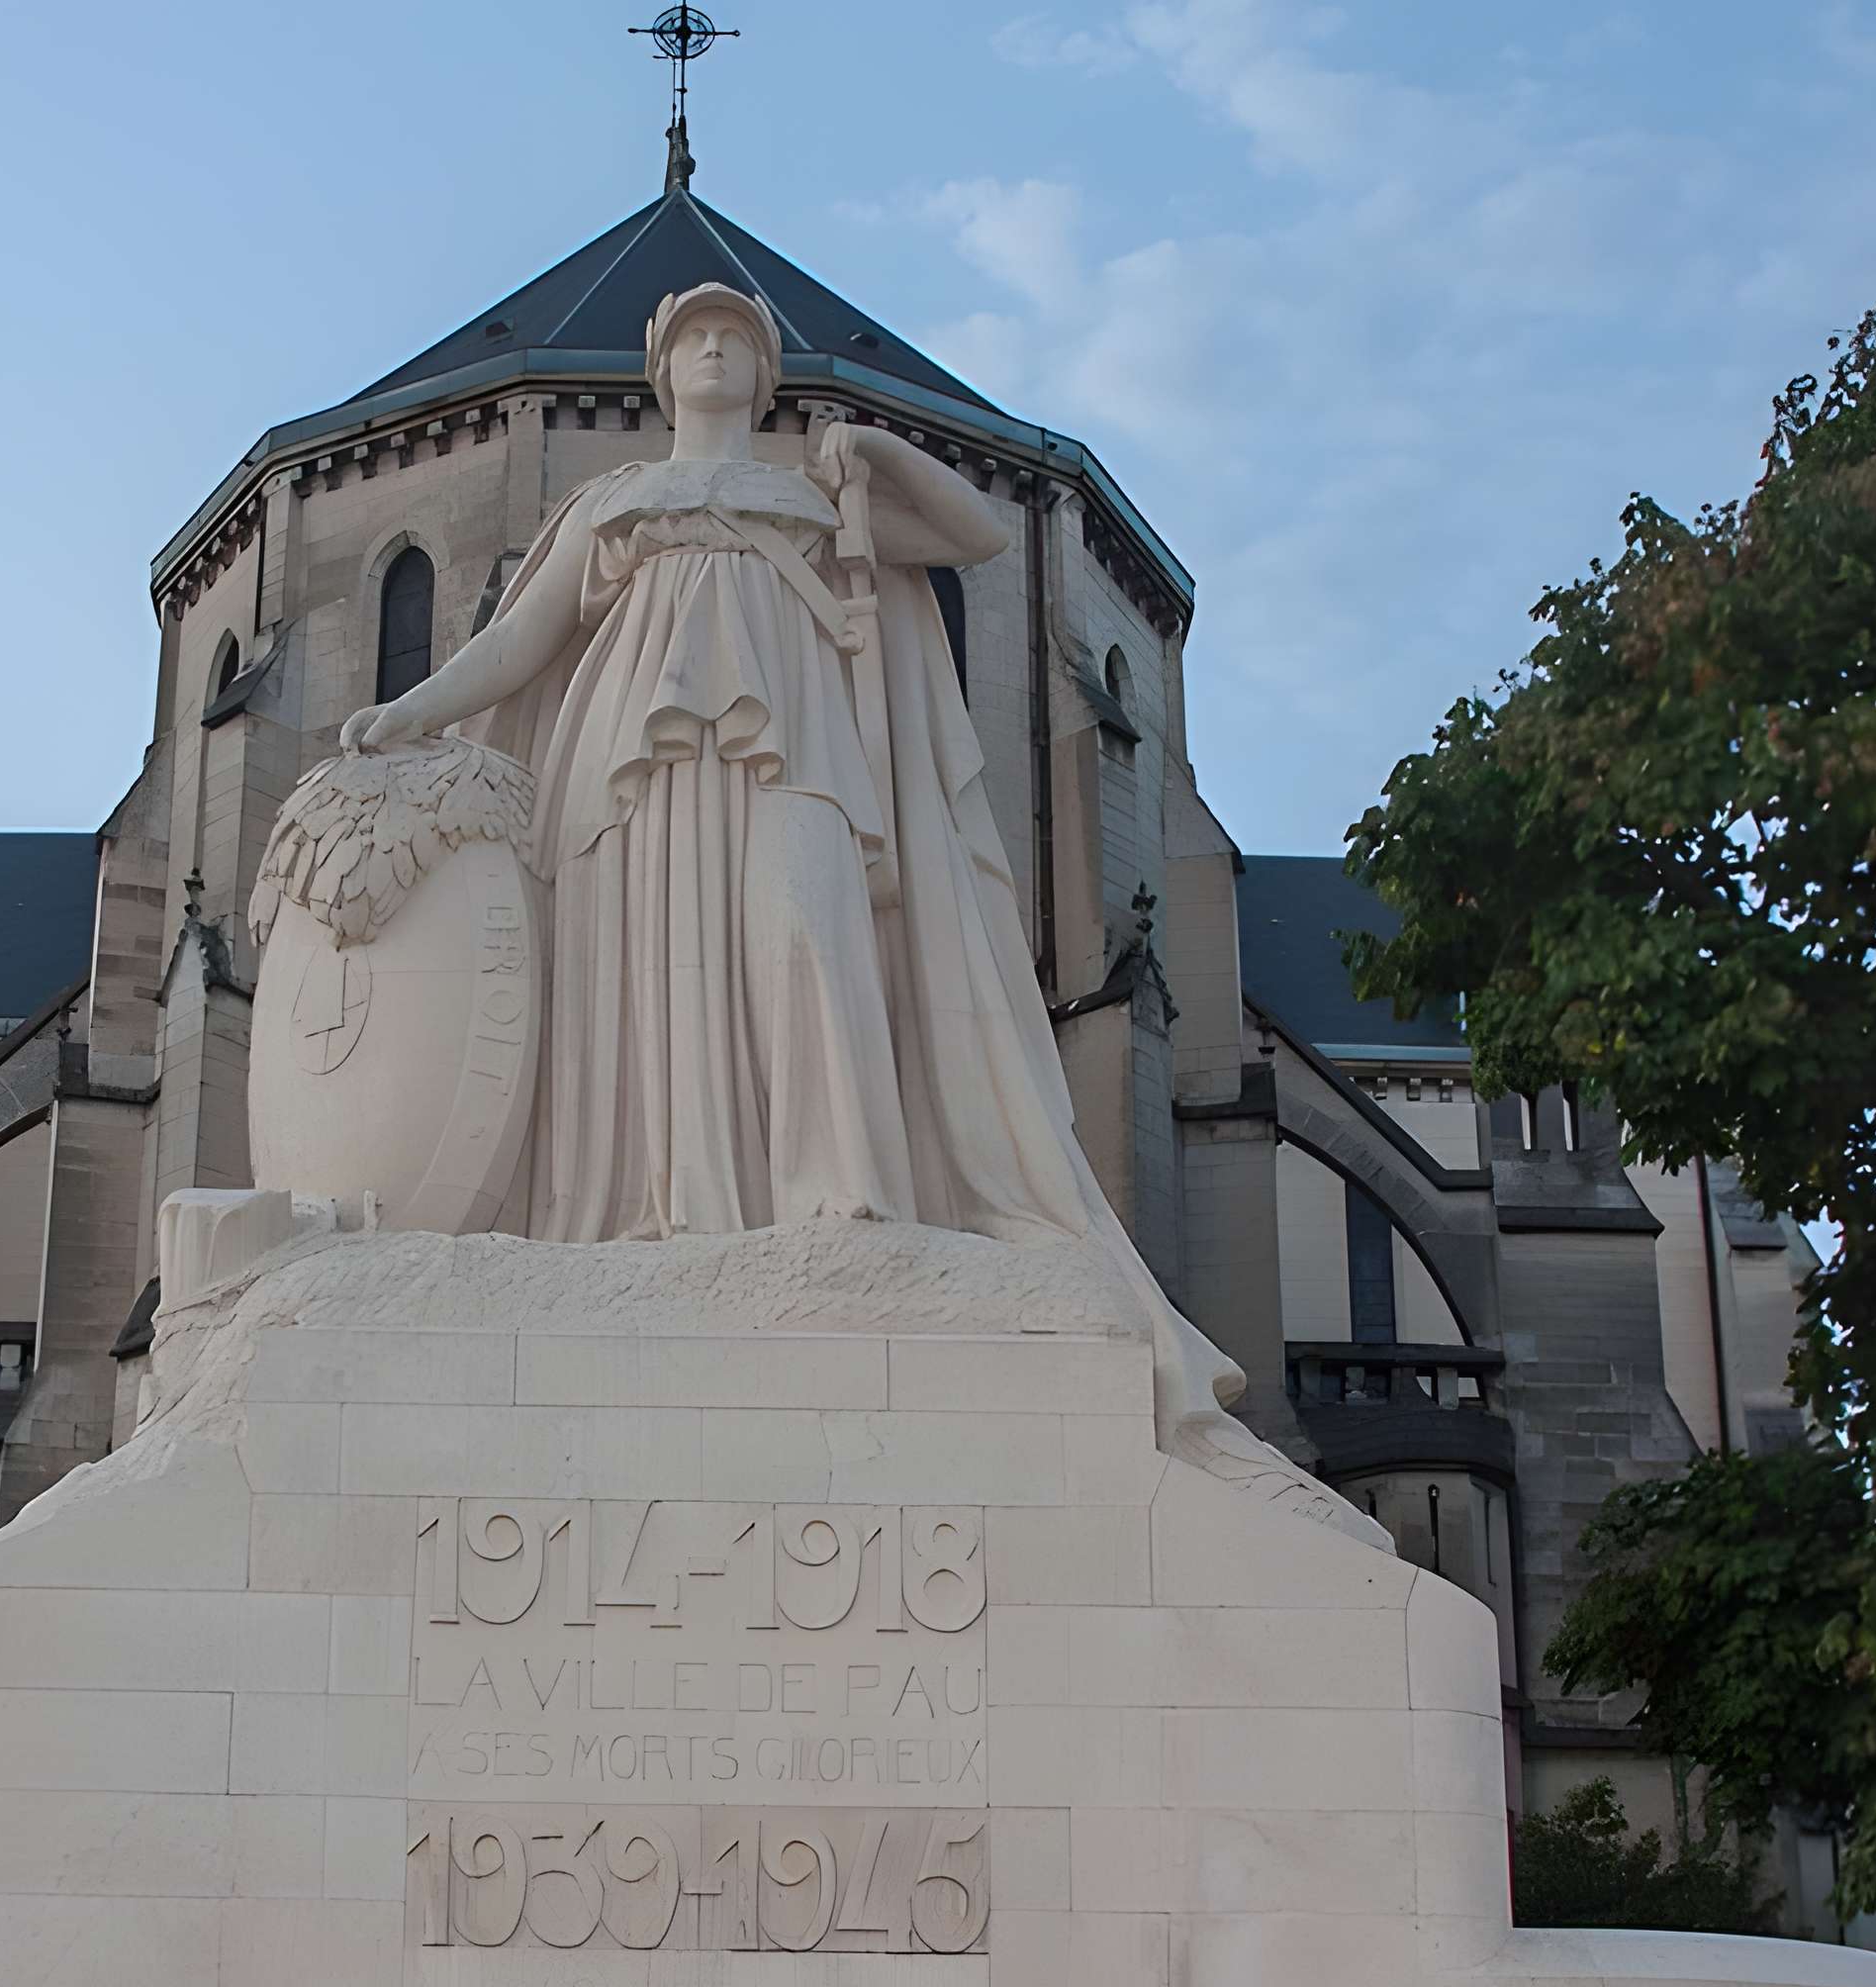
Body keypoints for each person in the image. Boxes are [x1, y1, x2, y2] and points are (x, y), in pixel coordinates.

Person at [342, 281, 1372, 1534]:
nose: (715, 350)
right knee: (636, 975)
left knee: (806, 932)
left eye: (738, 338)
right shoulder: (608, 504)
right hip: (628, 764)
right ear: (663, 375)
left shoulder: (812, 495)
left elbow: (978, 540)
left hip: (802, 750)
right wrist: (409, 714)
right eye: (694, 339)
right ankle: (645, 1210)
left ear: (767, 377)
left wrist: (877, 451)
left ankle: (842, 1201)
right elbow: (522, 639)